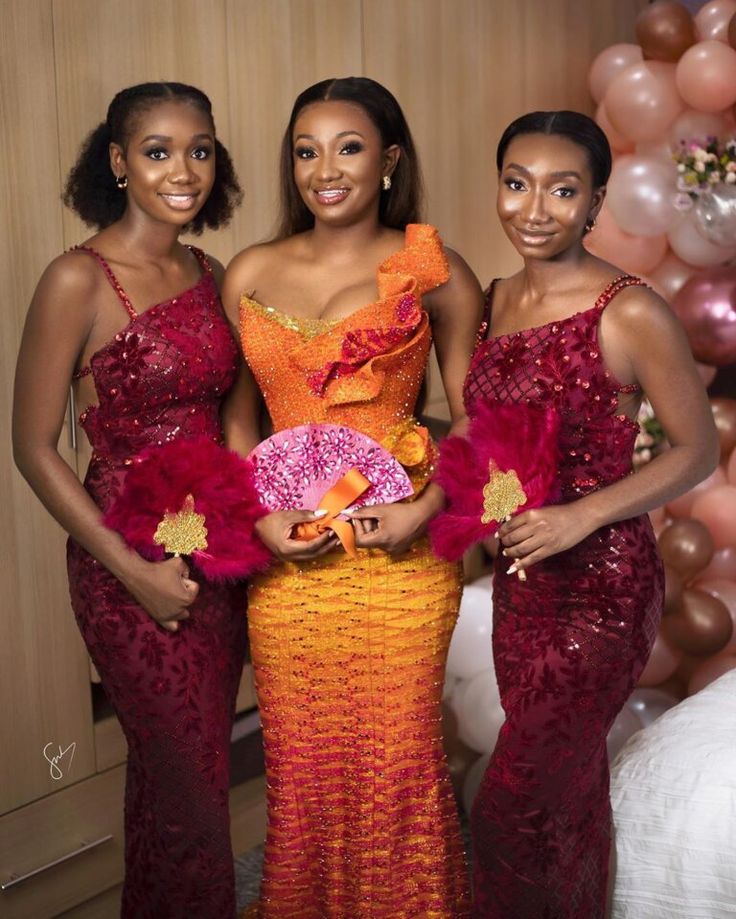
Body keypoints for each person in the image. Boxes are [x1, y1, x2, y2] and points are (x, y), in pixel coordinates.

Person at [222, 76, 484, 918]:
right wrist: (257, 519)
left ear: (389, 159)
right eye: (306, 150)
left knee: (397, 767)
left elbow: (481, 427)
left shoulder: (431, 267)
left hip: (396, 550)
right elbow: (234, 423)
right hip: (288, 557)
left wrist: (422, 510)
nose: (323, 169)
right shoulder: (251, 269)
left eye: (348, 146)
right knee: (301, 774)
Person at [464, 110, 719, 919]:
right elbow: (484, 435)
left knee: (509, 800)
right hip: (519, 589)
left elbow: (697, 449)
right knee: (565, 799)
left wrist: (581, 518)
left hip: (601, 591)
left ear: (596, 200)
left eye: (562, 188)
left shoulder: (629, 309)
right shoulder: (491, 300)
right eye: (517, 183)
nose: (535, 208)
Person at [13, 82, 245, 919]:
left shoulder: (211, 270)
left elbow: (233, 424)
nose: (182, 170)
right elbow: (35, 447)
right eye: (157, 151)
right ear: (118, 162)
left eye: (199, 149)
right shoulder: (78, 277)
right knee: (191, 796)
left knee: (181, 781)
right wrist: (134, 573)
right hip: (126, 568)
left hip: (215, 557)